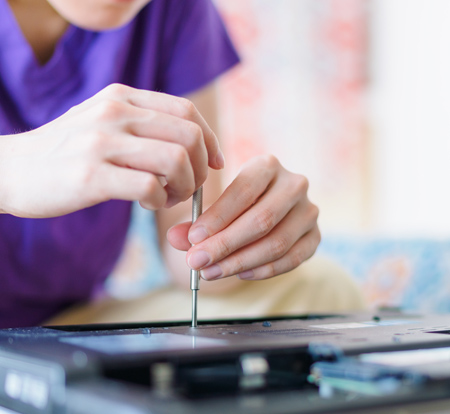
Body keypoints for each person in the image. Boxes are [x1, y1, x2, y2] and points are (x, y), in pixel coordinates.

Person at [0, 0, 364, 328]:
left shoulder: (175, 8)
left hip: (64, 325)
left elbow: (185, 239)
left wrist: (242, 241)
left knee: (323, 288)